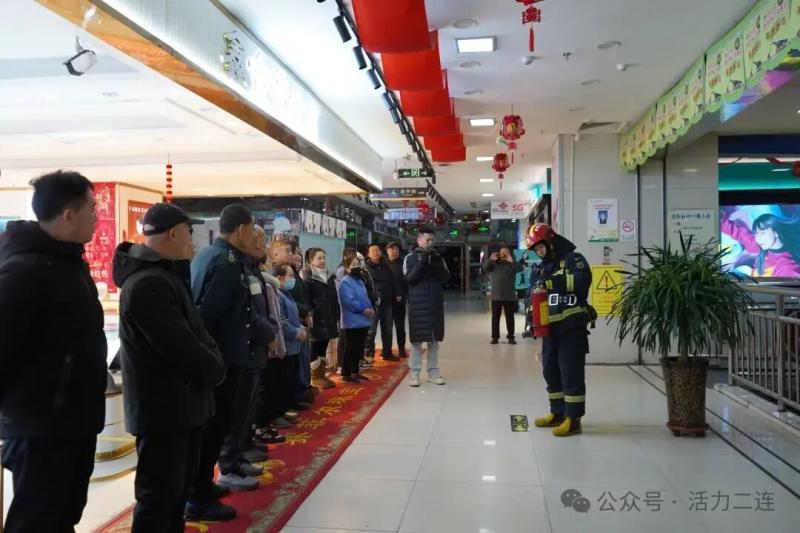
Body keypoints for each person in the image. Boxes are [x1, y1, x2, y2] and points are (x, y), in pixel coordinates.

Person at [0, 170, 108, 532]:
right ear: (69, 215)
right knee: (36, 521)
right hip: (41, 427)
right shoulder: (23, 272)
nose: (97, 217)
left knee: (63, 515)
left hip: (74, 421)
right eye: (92, 209)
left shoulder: (69, 263)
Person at [112, 203, 225, 532]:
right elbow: (181, 346)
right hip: (163, 412)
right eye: (190, 232)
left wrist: (212, 360)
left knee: (175, 496)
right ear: (173, 233)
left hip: (181, 408)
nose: (193, 240)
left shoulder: (166, 276)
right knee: (159, 497)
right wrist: (215, 369)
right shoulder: (147, 284)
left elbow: (197, 333)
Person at [186, 204, 260, 521]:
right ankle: (198, 496)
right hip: (222, 361)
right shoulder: (227, 262)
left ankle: (203, 485)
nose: (254, 237)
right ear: (241, 229)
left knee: (214, 428)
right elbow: (209, 316)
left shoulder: (211, 255)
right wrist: (214, 360)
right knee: (214, 429)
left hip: (219, 359)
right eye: (252, 230)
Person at [528, 223, 592, 437]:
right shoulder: (540, 268)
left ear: (551, 242)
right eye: (536, 249)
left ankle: (573, 419)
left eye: (541, 247)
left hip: (571, 327)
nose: (539, 252)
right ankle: (557, 412)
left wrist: (552, 282)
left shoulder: (574, 259)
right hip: (550, 329)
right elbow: (532, 292)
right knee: (550, 370)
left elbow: (582, 281)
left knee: (570, 372)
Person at [403, 228, 449, 387]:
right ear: (419, 240)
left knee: (434, 341)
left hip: (434, 304)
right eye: (427, 239)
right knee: (416, 342)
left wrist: (436, 263)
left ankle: (433, 372)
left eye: (432, 240)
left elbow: (445, 277)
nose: (430, 242)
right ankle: (414, 373)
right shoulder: (410, 258)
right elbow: (409, 279)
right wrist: (422, 262)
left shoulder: (438, 257)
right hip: (418, 305)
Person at [721, 209, 800, 278]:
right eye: (756, 234)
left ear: (776, 232)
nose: (758, 238)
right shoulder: (761, 245)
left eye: (763, 233)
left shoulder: (787, 268)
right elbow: (739, 233)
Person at [303, 247, 339, 389]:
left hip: (329, 317)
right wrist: (309, 314)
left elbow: (334, 297)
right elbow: (306, 299)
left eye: (324, 257)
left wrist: (336, 314)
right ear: (311, 260)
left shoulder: (329, 275)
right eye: (319, 258)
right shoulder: (308, 277)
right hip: (317, 319)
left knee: (324, 346)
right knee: (315, 347)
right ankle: (315, 377)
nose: (323, 260)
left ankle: (322, 375)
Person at [338, 249, 376, 383]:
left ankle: (355, 371)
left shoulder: (359, 280)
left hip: (363, 320)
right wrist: (363, 309)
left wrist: (371, 308)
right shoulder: (345, 282)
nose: (356, 267)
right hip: (351, 321)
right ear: (347, 268)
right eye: (352, 265)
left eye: (357, 264)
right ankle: (346, 374)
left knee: (359, 348)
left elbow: (365, 297)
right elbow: (349, 301)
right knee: (350, 348)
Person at [365, 243, 400, 361]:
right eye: (373, 251)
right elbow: (366, 287)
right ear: (368, 254)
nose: (376, 253)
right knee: (371, 331)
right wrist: (374, 298)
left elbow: (392, 282)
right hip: (373, 304)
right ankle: (368, 354)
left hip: (387, 303)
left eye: (378, 250)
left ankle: (387, 353)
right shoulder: (366, 268)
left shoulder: (385, 265)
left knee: (388, 330)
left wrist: (395, 295)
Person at [483, 246, 524, 345]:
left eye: (506, 252)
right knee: (495, 318)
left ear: (509, 254)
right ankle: (495, 337)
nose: (503, 254)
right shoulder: (493, 263)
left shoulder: (512, 264)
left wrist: (512, 261)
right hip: (496, 296)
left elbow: (520, 268)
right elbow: (485, 267)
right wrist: (490, 259)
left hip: (509, 296)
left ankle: (511, 337)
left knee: (510, 318)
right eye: (502, 252)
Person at [386, 241, 408, 358]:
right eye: (392, 249)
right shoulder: (383, 264)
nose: (395, 251)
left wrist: (402, 294)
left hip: (399, 301)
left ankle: (401, 349)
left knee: (400, 327)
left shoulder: (404, 263)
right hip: (386, 301)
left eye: (397, 249)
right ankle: (387, 350)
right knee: (387, 327)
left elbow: (407, 281)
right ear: (387, 251)